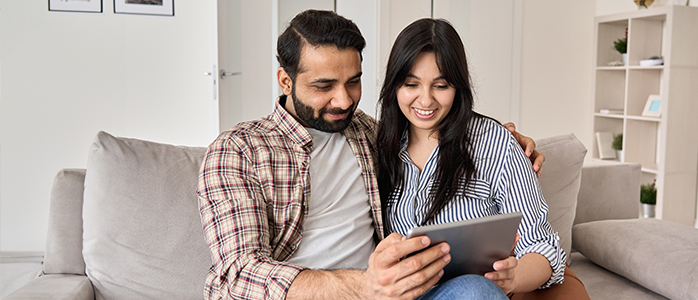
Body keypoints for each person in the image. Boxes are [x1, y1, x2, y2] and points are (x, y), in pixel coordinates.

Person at [197, 10, 543, 300]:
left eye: (353, 82)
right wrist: (364, 285)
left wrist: (508, 138)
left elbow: (433, 126)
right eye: (324, 86)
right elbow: (238, 274)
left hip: (391, 294)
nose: (344, 100)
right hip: (342, 291)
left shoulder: (371, 133)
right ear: (285, 81)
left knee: (475, 292)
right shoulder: (238, 150)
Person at [374, 18, 590, 299]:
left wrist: (512, 279)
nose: (425, 101)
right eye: (411, 84)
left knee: (476, 290)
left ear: (458, 87)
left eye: (440, 86)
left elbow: (541, 245)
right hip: (402, 293)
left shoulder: (494, 143)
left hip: (474, 291)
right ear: (394, 86)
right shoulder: (375, 145)